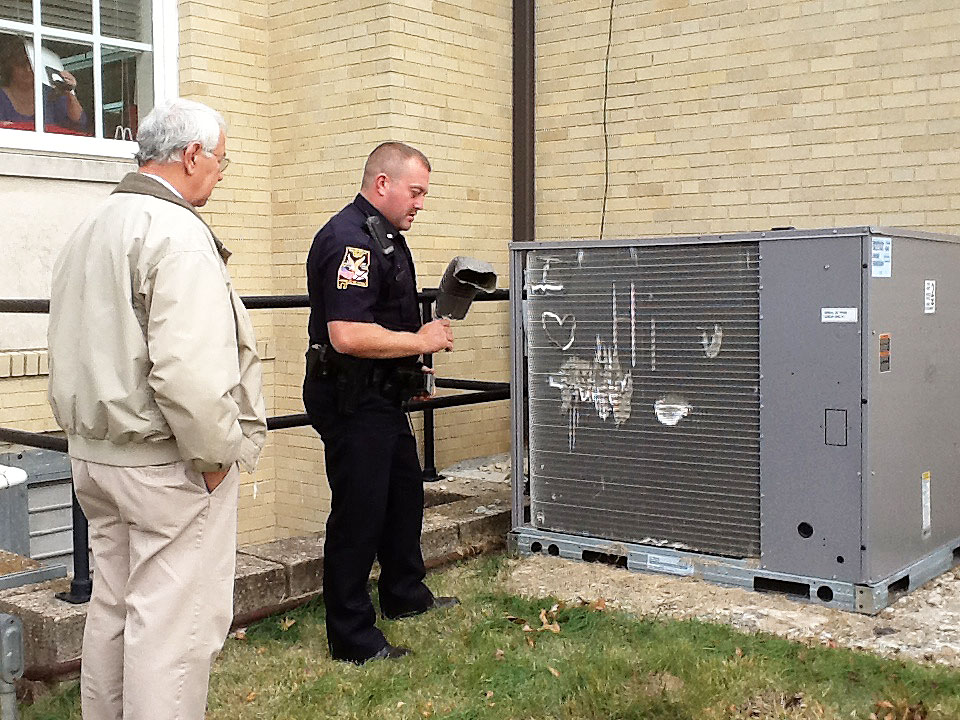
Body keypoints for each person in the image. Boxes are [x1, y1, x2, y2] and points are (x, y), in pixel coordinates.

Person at [47, 98, 265, 720]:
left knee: (113, 609)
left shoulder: (90, 227)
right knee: (175, 631)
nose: (221, 173)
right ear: (193, 155)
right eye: (221, 161)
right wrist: (217, 458)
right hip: (167, 462)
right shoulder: (178, 236)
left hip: (96, 454)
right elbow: (189, 375)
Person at [303, 141, 459, 665]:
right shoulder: (351, 241)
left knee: (402, 497)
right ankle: (352, 637)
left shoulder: (383, 236)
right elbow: (346, 334)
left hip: (381, 394)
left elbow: (383, 320)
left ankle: (405, 595)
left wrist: (411, 367)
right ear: (383, 184)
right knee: (359, 514)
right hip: (351, 397)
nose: (421, 203)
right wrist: (422, 341)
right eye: (415, 192)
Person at [0, 36, 88, 134]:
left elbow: (79, 122)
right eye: (21, 64)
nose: (28, 69)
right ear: (9, 65)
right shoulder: (1, 96)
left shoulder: (51, 94)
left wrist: (70, 92)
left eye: (32, 64)